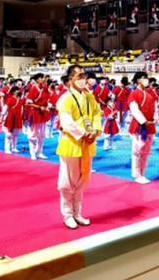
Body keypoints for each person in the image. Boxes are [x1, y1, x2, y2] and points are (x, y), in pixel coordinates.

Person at [56, 64, 102, 229]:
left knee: (82, 181)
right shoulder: (65, 99)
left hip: (88, 143)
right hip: (72, 143)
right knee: (68, 182)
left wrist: (95, 130)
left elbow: (96, 113)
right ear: (70, 80)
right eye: (79, 77)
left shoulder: (89, 96)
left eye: (84, 76)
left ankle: (77, 213)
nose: (83, 79)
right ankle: (68, 215)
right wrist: (83, 133)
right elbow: (66, 122)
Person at [128, 71, 157, 184]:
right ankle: (137, 174)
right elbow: (134, 109)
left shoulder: (149, 94)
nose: (146, 80)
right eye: (144, 78)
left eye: (147, 78)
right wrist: (144, 121)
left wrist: (154, 119)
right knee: (137, 150)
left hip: (149, 125)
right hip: (139, 125)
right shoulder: (134, 93)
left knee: (146, 150)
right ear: (138, 80)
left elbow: (154, 108)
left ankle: (143, 173)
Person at [2, 86, 25, 154]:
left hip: (18, 118)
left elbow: (22, 109)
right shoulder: (10, 99)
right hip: (10, 117)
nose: (18, 91)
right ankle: (7, 149)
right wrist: (2, 117)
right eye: (17, 90)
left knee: (15, 134)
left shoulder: (20, 100)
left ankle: (14, 147)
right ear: (13, 92)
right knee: (9, 134)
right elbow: (5, 108)